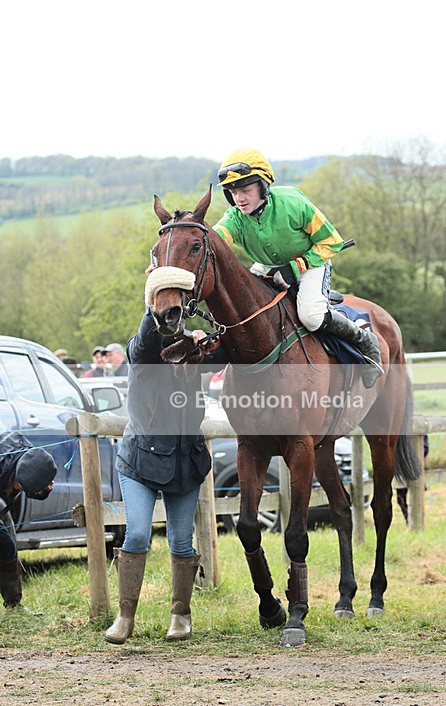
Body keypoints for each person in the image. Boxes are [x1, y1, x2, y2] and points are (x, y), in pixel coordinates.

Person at [213, 148, 384, 388]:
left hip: (311, 261)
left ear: (263, 186)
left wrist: (295, 267)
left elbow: (331, 242)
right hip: (267, 265)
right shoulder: (234, 217)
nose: (239, 199)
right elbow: (213, 243)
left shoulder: (293, 203)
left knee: (311, 317)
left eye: (245, 190)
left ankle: (364, 339)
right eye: (233, 192)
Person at [104, 310, 214, 645]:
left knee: (181, 541)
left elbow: (228, 351)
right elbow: (143, 340)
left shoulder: (193, 360)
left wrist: (204, 342)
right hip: (141, 459)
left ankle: (181, 615)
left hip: (185, 460)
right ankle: (125, 617)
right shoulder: (143, 355)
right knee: (137, 534)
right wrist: (156, 309)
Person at [0, 433, 57, 612]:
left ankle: (14, 605)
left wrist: (44, 490)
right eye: (19, 486)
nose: (18, 489)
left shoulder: (30, 460)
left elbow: (31, 485)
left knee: (9, 543)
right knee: (4, 542)